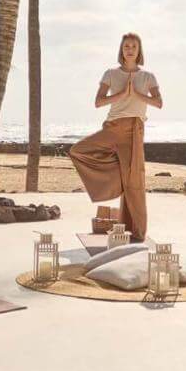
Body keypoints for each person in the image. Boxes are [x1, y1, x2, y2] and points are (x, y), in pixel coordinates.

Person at [70, 32, 162, 241]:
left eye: (133, 46)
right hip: (112, 128)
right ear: (122, 49)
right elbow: (98, 102)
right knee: (79, 150)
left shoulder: (148, 76)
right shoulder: (110, 73)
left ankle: (137, 234)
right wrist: (122, 94)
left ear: (139, 51)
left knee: (135, 183)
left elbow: (158, 102)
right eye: (126, 46)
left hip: (133, 129)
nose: (129, 49)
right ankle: (116, 183)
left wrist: (136, 94)